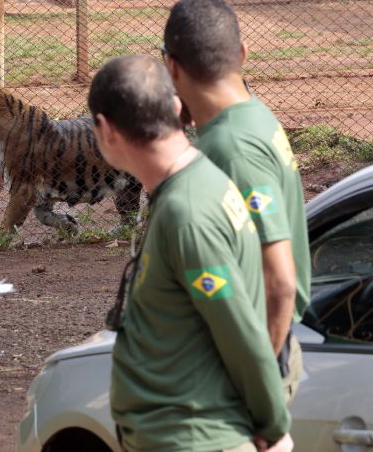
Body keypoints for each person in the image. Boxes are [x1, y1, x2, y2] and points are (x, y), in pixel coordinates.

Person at [88, 55, 292, 451]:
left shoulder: (187, 213)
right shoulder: (193, 185)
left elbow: (242, 333)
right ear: (177, 107)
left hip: (194, 438)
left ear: (105, 130)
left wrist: (274, 426)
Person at [162, 0, 309, 403]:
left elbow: (279, 284)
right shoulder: (254, 115)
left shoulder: (232, 147)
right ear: (243, 53)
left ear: (171, 66)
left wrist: (255, 393)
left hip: (250, 361)